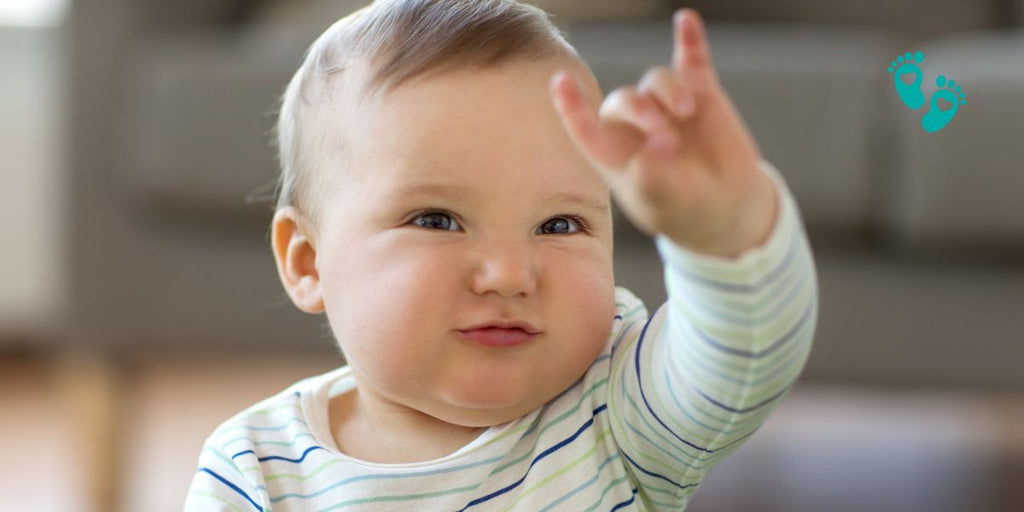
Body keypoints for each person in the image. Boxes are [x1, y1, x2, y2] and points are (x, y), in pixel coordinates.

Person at [184, 0, 818, 510]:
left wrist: (726, 229)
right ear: (307, 260)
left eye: (559, 223)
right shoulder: (256, 470)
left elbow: (742, 359)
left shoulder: (613, 407)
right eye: (438, 220)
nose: (511, 274)